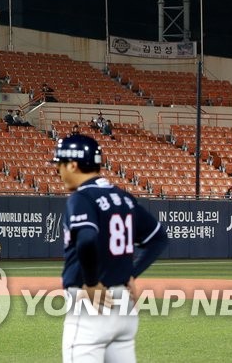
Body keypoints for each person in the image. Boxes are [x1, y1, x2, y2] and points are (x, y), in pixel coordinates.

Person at [51, 134, 168, 362]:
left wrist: (92, 282)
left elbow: (86, 239)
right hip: (124, 306)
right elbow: (158, 238)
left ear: (73, 165)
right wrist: (131, 274)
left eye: (60, 164)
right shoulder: (123, 197)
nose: (58, 170)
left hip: (91, 306)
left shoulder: (82, 198)